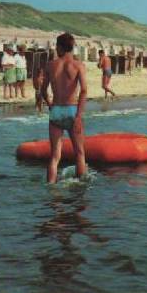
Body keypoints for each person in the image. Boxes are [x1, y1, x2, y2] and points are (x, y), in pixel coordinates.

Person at [41, 33, 87, 183]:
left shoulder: (50, 65)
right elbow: (84, 91)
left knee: (54, 156)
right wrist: (79, 116)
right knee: (79, 153)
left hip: (56, 110)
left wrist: (49, 105)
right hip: (72, 110)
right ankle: (81, 190)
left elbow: (43, 90)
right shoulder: (78, 65)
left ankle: (51, 187)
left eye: (56, 45)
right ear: (72, 47)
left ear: (60, 47)